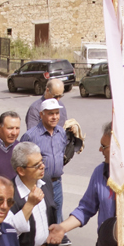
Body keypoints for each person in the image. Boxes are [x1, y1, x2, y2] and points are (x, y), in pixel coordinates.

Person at [19, 97, 77, 227]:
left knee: (56, 214)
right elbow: (21, 160)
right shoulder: (31, 136)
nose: (55, 117)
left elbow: (62, 153)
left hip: (57, 183)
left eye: (57, 113)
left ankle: (56, 242)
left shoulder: (61, 133)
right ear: (41, 115)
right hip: (38, 184)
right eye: (50, 113)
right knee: (40, 218)